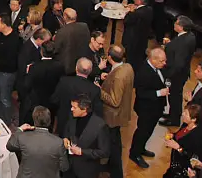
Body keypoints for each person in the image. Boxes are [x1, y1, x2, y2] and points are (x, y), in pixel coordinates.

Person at [129, 47, 169, 168]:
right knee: (142, 131)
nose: (164, 63)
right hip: (146, 109)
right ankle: (134, 153)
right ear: (153, 59)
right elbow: (141, 93)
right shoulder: (143, 71)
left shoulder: (158, 68)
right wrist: (159, 93)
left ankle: (141, 148)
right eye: (162, 61)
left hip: (156, 108)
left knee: (149, 131)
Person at [99, 45, 135, 178]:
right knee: (115, 141)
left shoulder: (118, 76)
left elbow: (115, 101)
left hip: (112, 116)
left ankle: (115, 173)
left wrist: (99, 90)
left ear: (109, 57)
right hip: (120, 114)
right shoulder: (128, 67)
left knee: (113, 146)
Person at [51, 58, 103, 147]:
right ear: (90, 71)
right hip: (83, 126)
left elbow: (54, 99)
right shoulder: (95, 89)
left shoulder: (64, 81)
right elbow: (97, 112)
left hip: (63, 121)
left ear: (76, 68)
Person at [6, 106, 69, 178]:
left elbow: (9, 145)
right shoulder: (58, 142)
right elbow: (64, 167)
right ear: (49, 121)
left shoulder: (23, 137)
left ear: (34, 120)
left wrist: (20, 129)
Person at [61, 96, 109, 178]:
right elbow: (67, 129)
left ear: (84, 109)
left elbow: (104, 152)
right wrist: (65, 138)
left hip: (86, 171)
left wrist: (82, 151)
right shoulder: (72, 116)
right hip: (69, 167)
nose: (71, 109)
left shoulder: (99, 125)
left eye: (74, 107)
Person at [161, 15, 197, 127]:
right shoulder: (190, 36)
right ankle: (173, 114)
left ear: (181, 27)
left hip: (176, 75)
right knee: (174, 95)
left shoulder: (183, 43)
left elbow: (179, 63)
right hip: (181, 73)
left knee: (174, 96)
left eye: (176, 23)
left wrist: (169, 75)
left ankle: (174, 119)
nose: (174, 24)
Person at [0, 14, 20, 125]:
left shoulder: (15, 40)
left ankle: (5, 121)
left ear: (4, 25)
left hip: (7, 73)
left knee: (5, 98)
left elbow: (11, 62)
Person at [163, 104, 202, 178]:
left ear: (193, 119)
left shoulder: (197, 136)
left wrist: (178, 147)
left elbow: (193, 157)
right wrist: (173, 135)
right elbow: (180, 134)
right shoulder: (185, 124)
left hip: (184, 169)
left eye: (186, 114)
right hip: (175, 163)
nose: (182, 114)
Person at [122, 0, 153, 69]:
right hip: (142, 41)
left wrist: (131, 12)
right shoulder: (149, 10)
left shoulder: (136, 14)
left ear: (140, 0)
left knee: (130, 62)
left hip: (132, 42)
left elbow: (126, 21)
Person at [53, 9, 90, 75]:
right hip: (82, 63)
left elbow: (56, 49)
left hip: (67, 66)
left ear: (65, 17)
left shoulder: (62, 32)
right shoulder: (84, 26)